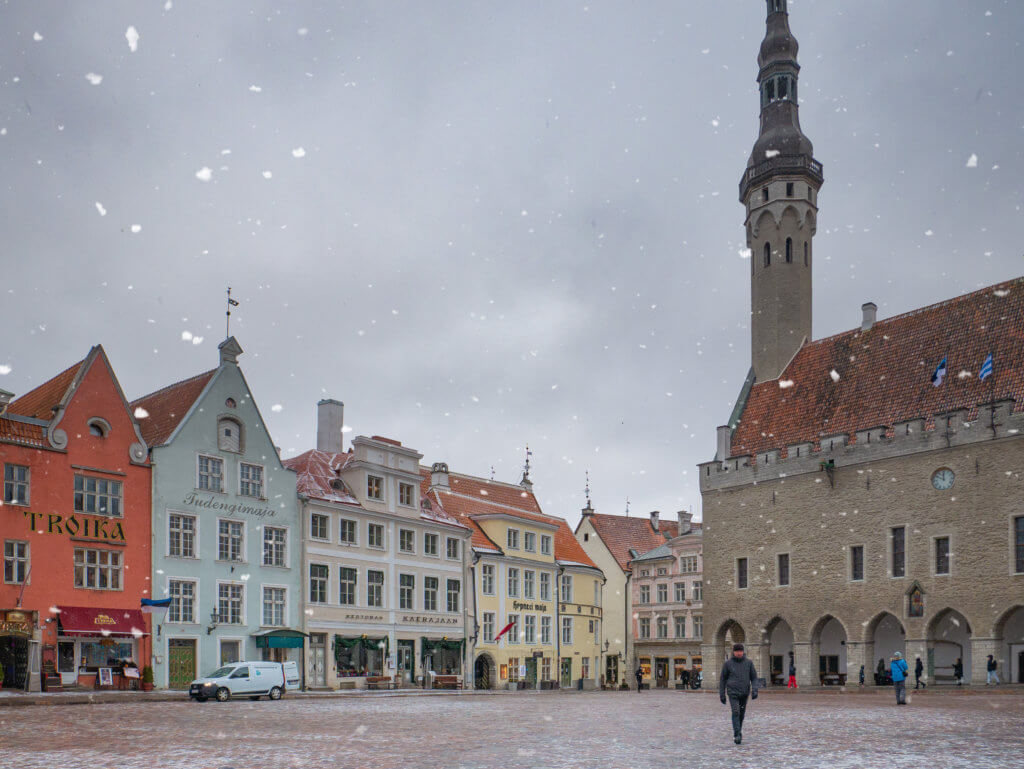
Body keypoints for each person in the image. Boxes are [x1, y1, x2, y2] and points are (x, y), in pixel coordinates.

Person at [719, 643, 758, 745]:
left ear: (743, 651)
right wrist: (722, 694)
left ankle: (738, 730)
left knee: (741, 714)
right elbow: (723, 679)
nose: (739, 653)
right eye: (737, 651)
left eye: (740, 651)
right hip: (733, 693)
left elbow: (754, 678)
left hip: (744, 693)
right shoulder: (728, 664)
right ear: (734, 652)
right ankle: (737, 734)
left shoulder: (748, 663)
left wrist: (755, 690)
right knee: (736, 712)